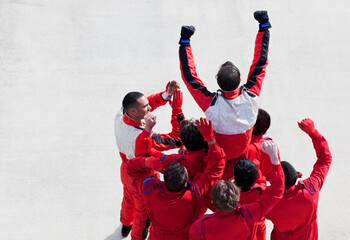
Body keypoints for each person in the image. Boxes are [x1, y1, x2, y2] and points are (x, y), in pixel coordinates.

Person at [178, 10, 271, 162]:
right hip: (242, 150)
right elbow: (261, 61)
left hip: (217, 153)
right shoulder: (251, 95)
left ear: (218, 83)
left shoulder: (210, 103)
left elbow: (189, 77)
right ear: (240, 79)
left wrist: (184, 42)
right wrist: (264, 27)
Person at [128, 118, 226, 240]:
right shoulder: (195, 194)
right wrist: (211, 139)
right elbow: (218, 165)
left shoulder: (150, 190)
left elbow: (138, 160)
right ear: (186, 184)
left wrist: (147, 160)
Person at [114, 81, 184, 239]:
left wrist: (165, 95)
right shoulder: (144, 137)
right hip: (143, 179)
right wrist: (176, 109)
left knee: (128, 199)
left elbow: (146, 104)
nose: (150, 107)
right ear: (133, 110)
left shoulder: (120, 116)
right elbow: (176, 138)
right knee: (143, 216)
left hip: (126, 170)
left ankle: (125, 224)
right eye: (146, 106)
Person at [189, 140, 284, 240]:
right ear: (237, 198)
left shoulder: (200, 226)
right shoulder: (250, 213)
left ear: (213, 201)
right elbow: (277, 191)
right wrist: (274, 158)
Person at [265, 118, 332, 239]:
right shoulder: (310, 190)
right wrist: (313, 133)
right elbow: (325, 159)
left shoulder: (269, 202)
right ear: (295, 177)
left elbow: (249, 193)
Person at [234, 159, 268, 240]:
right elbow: (262, 181)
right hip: (259, 231)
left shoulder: (230, 195)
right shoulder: (261, 191)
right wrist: (256, 165)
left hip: (239, 231)